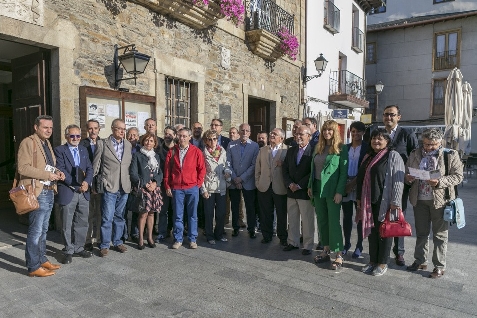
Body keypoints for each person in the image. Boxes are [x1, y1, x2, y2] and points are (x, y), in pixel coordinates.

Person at [405, 128, 463, 278]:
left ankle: (439, 266)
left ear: (440, 142)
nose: (428, 147)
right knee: (422, 233)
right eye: (425, 144)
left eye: (432, 144)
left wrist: (439, 182)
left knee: (440, 235)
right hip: (419, 199)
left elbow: (458, 176)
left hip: (440, 200)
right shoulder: (415, 153)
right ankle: (420, 260)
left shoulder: (450, 154)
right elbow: (407, 172)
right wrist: (409, 178)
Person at [17, 115, 64, 277]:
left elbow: (47, 166)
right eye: (45, 127)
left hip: (49, 190)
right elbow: (22, 168)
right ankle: (33, 266)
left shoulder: (46, 143)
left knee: (43, 230)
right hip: (37, 191)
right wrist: (45, 175)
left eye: (51, 128)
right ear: (36, 127)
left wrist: (57, 173)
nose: (49, 130)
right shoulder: (28, 142)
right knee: (35, 231)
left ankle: (42, 259)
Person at [356, 128, 405, 276]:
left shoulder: (393, 156)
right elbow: (361, 179)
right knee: (372, 233)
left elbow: (398, 180)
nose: (376, 141)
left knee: (385, 232)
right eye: (373, 139)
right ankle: (372, 261)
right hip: (368, 201)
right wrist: (359, 198)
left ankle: (383, 263)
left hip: (386, 202)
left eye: (380, 139)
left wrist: (395, 202)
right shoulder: (368, 156)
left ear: (387, 141)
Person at [308, 120, 348, 268]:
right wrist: (310, 186)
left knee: (333, 222)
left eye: (330, 130)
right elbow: (313, 169)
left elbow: (343, 173)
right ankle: (326, 250)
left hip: (332, 190)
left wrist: (339, 192)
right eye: (324, 130)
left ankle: (338, 253)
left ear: (335, 132)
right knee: (322, 220)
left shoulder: (340, 149)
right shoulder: (318, 147)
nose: (326, 133)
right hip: (318, 188)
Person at [382, 105, 418, 266]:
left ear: (399, 117)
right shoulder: (379, 135)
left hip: (399, 183)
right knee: (382, 215)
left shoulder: (407, 134)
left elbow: (415, 157)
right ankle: (382, 247)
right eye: (386, 115)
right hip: (381, 183)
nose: (388, 117)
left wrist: (410, 178)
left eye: (392, 115)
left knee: (398, 216)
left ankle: (399, 252)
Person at [55, 124, 94, 264]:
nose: (75, 138)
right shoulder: (60, 150)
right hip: (69, 190)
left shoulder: (83, 149)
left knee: (82, 221)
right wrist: (76, 185)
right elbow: (61, 169)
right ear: (66, 136)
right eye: (72, 136)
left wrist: (87, 182)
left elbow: (90, 168)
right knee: (67, 223)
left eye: (78, 136)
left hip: (83, 191)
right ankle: (68, 250)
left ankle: (79, 247)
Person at [93, 118, 132, 257]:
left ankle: (118, 241)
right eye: (119, 128)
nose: (122, 131)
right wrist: (95, 183)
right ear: (112, 129)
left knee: (120, 216)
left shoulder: (128, 145)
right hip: (109, 185)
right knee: (107, 217)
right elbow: (96, 166)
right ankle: (104, 244)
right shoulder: (102, 143)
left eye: (124, 129)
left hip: (124, 186)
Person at [164, 127, 205, 249]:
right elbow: (167, 171)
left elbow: (201, 170)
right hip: (177, 188)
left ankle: (192, 239)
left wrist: (197, 184)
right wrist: (167, 185)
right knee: (178, 215)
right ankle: (178, 239)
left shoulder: (196, 151)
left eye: (184, 136)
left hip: (192, 187)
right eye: (180, 136)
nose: (182, 138)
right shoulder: (172, 152)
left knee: (192, 214)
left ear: (189, 137)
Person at [282, 125, 315, 254]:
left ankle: (308, 245)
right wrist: (290, 184)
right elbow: (285, 169)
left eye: (301, 134)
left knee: (307, 220)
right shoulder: (291, 150)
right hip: (291, 191)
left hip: (304, 192)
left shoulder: (313, 151)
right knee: (293, 218)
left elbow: (312, 171)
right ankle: (293, 242)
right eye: (296, 134)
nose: (298, 136)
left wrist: (300, 185)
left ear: (309, 136)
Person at [130, 133, 163, 250]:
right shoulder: (138, 155)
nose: (149, 143)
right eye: (147, 140)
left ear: (155, 143)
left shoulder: (157, 156)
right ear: (143, 142)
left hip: (154, 189)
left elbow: (160, 173)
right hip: (143, 189)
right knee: (143, 213)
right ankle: (140, 238)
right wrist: (145, 184)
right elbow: (133, 173)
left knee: (151, 213)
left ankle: (149, 237)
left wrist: (155, 183)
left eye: (151, 141)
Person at [255, 128, 288, 245]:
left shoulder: (287, 150)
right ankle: (266, 235)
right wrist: (258, 183)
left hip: (280, 187)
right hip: (264, 186)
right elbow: (257, 168)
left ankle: (283, 237)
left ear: (282, 138)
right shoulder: (263, 150)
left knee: (281, 214)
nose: (272, 135)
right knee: (265, 213)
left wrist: (283, 164)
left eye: (275, 134)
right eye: (271, 133)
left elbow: (290, 169)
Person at [227, 123, 260, 238]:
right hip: (233, 181)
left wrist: (241, 178)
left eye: (247, 131)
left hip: (248, 182)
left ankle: (251, 229)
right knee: (235, 206)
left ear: (250, 133)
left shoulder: (255, 146)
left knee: (250, 207)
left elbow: (254, 165)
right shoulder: (231, 145)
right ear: (239, 132)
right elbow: (228, 163)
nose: (244, 132)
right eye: (242, 130)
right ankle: (235, 227)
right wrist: (235, 178)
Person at [341, 121, 368, 258]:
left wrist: (354, 182)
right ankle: (346, 244)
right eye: (353, 131)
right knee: (346, 216)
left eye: (358, 131)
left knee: (359, 217)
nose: (355, 134)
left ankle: (359, 245)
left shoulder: (367, 148)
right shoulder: (345, 147)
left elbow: (366, 168)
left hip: (359, 185)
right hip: (345, 184)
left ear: (363, 132)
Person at [201, 129, 229, 244]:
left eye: (215, 139)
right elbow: (200, 173)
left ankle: (219, 233)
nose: (213, 141)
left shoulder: (222, 150)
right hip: (209, 187)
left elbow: (227, 165)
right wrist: (203, 189)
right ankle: (210, 236)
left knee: (221, 212)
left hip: (221, 186)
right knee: (208, 213)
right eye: (210, 139)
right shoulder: (203, 154)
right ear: (206, 141)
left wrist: (228, 172)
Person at [80, 119, 101, 251]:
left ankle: (98, 238)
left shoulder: (103, 143)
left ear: (99, 129)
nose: (93, 131)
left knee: (99, 213)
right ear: (87, 130)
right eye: (90, 128)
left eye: (95, 128)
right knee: (88, 214)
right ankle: (87, 240)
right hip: (86, 183)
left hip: (100, 184)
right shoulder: (82, 144)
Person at [155, 126, 177, 243]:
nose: (167, 136)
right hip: (163, 183)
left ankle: (175, 232)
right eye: (166, 133)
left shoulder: (178, 149)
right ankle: (162, 232)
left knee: (175, 210)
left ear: (174, 135)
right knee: (163, 210)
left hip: (176, 184)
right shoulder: (158, 149)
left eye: (170, 134)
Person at [124, 127, 141, 243]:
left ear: (138, 137)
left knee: (136, 210)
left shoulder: (141, 150)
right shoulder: (123, 148)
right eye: (130, 135)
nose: (132, 137)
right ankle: (123, 234)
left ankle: (135, 233)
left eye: (134, 135)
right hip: (124, 182)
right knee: (123, 210)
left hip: (136, 183)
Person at [225, 127, 245, 227]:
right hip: (227, 175)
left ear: (238, 134)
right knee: (226, 199)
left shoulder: (240, 144)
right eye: (230, 132)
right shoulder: (227, 143)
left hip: (239, 177)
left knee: (238, 200)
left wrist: (238, 178)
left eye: (233, 133)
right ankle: (226, 219)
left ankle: (240, 219)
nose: (231, 134)